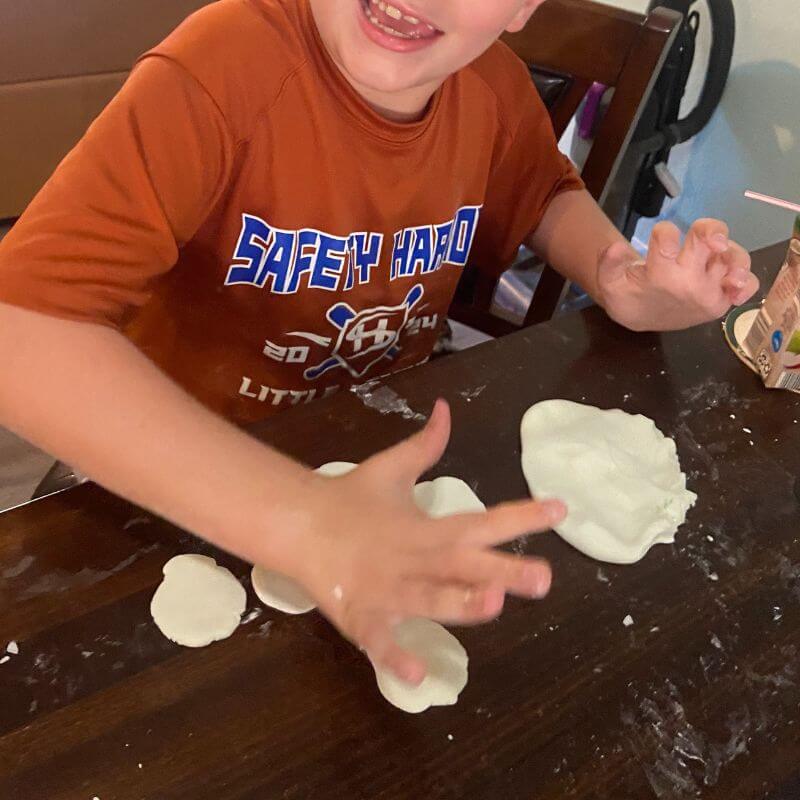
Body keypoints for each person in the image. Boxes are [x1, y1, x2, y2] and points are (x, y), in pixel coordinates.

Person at [0, 0, 758, 683]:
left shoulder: (490, 87)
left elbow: (542, 191)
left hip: (377, 443)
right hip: (175, 463)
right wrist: (300, 521)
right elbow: (20, 330)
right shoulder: (218, 70)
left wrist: (619, 276)